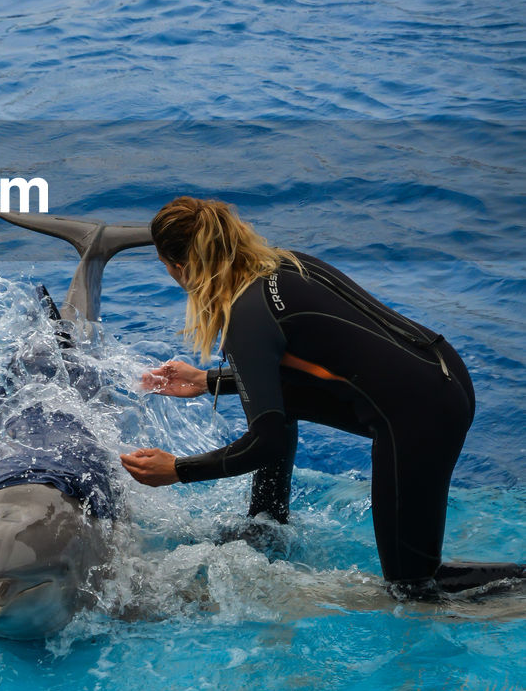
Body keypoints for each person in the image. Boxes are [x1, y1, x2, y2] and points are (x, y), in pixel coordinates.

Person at [120, 195, 525, 596]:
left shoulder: (245, 322)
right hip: (442, 373)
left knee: (413, 585)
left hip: (419, 414)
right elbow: (295, 373)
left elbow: (266, 441)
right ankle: (267, 524)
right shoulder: (282, 264)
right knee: (279, 402)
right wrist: (208, 380)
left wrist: (178, 469)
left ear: (182, 268)